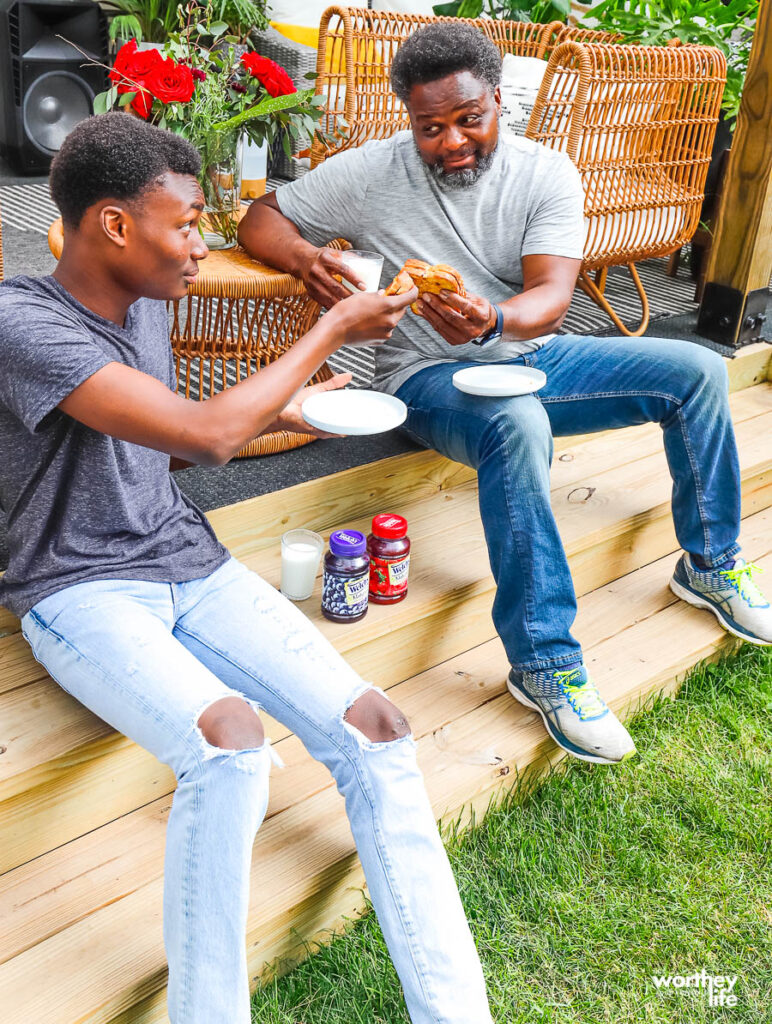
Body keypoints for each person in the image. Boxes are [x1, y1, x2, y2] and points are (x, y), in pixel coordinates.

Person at [0, 113, 496, 1024]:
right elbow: (203, 434)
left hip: (187, 558)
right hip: (78, 585)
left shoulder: (148, 302)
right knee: (231, 750)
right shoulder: (20, 321)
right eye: (188, 225)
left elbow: (161, 445)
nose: (202, 247)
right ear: (115, 225)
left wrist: (290, 411)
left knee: (378, 730)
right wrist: (334, 324)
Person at [239, 21, 772, 767]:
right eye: (430, 128)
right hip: (424, 375)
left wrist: (493, 320)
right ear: (409, 120)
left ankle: (711, 565)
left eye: (469, 119)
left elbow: (551, 298)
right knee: (515, 424)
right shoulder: (371, 171)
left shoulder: (545, 172)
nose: (451, 141)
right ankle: (546, 663)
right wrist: (304, 258)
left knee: (697, 370)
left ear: (498, 100)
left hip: (533, 354)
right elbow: (260, 216)